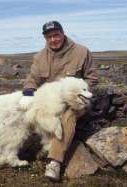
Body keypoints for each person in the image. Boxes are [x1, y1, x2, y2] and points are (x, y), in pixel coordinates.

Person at [21, 21, 98, 181]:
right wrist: (28, 93)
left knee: (67, 116)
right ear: (45, 38)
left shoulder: (81, 52)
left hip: (76, 101)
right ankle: (8, 152)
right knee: (24, 109)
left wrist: (79, 92)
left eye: (56, 35)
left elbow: (92, 78)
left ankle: (54, 162)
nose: (53, 39)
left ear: (63, 33)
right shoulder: (40, 57)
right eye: (49, 37)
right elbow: (33, 78)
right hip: (51, 100)